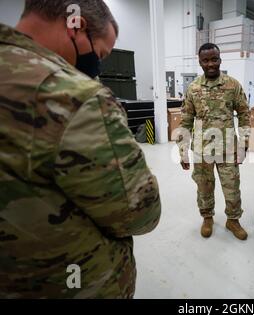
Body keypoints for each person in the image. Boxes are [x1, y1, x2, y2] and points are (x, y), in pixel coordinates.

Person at [0, 0, 161, 298]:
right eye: (99, 54)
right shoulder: (75, 98)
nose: (96, 66)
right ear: (76, 25)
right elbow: (141, 213)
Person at [177, 43, 250, 240]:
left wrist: (243, 144)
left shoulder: (232, 85)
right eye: (206, 60)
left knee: (232, 187)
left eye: (214, 59)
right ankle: (207, 217)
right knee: (204, 186)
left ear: (220, 59)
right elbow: (185, 120)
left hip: (228, 148)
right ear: (200, 62)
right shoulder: (193, 88)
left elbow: (244, 114)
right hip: (202, 150)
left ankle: (232, 220)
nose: (210, 64)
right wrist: (182, 150)